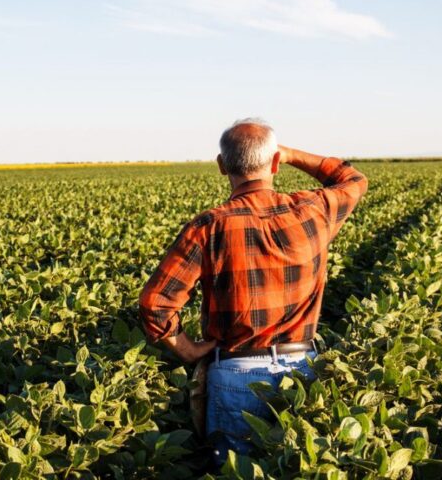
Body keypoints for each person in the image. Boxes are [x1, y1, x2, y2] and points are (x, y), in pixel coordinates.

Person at [138, 118, 368, 465]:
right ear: (275, 163)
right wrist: (291, 154)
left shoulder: (208, 226)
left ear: (221, 165)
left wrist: (186, 350)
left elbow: (155, 304)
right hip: (302, 371)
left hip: (234, 374)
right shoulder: (313, 211)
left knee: (237, 471)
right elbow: (353, 179)